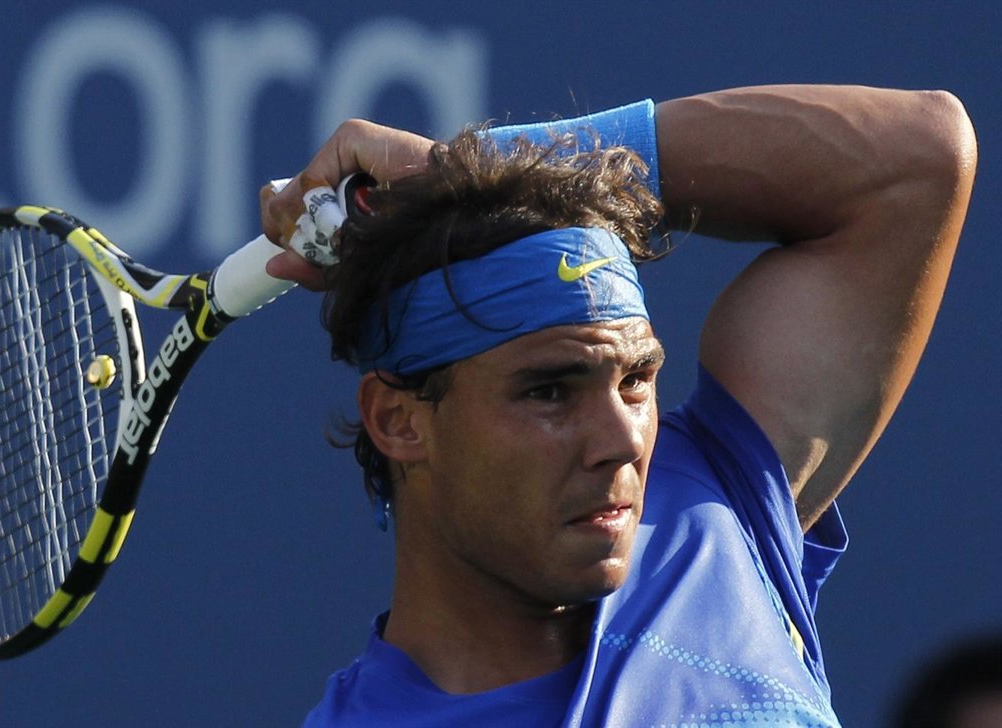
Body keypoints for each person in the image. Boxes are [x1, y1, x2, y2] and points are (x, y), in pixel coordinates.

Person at [262, 86, 977, 726]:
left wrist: (463, 170)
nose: (623, 442)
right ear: (399, 420)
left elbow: (920, 153)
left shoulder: (712, 501)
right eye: (548, 391)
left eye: (635, 381)